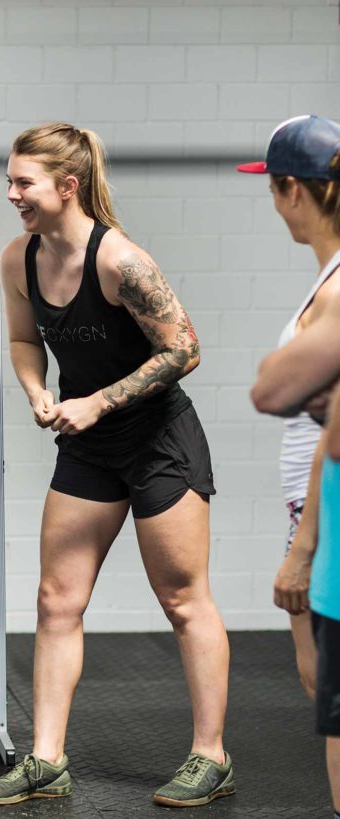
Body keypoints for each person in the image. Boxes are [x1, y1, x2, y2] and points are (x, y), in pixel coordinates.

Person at [0, 123, 232, 808]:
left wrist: (101, 400)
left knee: (183, 599)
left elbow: (184, 348)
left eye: (22, 183)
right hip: (90, 445)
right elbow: (26, 340)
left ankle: (211, 754)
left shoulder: (121, 261)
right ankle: (46, 759)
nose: (11, 194)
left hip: (156, 440)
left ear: (68, 185)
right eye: (9, 181)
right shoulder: (17, 261)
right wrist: (38, 391)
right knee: (57, 599)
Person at [250, 117, 340, 819]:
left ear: (291, 191)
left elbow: (282, 396)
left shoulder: (337, 291)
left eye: (273, 191)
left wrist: (302, 549)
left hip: (323, 517)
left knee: (332, 697)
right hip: (315, 512)